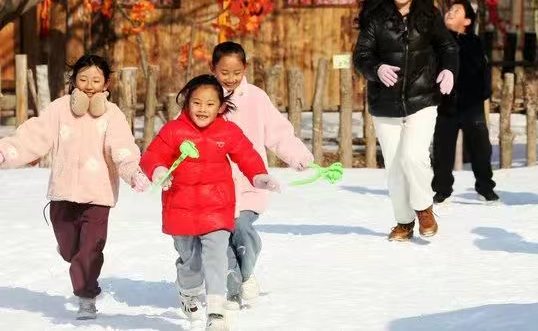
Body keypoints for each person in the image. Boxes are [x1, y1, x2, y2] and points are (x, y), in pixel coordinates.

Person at [0, 55, 147, 320]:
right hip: (63, 194)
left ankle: (86, 297)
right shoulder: (59, 109)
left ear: (106, 84)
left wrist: (133, 172)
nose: (89, 85)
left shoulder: (112, 115)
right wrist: (6, 152)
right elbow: (34, 136)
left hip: (98, 196)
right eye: (83, 79)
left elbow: (122, 148)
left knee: (90, 249)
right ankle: (72, 254)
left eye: (96, 80)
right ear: (74, 81)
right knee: (71, 250)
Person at [140, 75, 279, 331]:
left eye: (210, 104)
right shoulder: (174, 130)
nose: (202, 109)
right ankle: (188, 291)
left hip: (217, 206)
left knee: (216, 257)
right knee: (191, 262)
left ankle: (216, 313)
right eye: (197, 103)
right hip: (181, 207)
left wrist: (259, 176)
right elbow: (152, 155)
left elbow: (247, 155)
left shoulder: (227, 131)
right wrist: (159, 170)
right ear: (187, 103)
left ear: (221, 107)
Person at [353, 0, 458, 241]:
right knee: (395, 166)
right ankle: (404, 221)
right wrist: (376, 68)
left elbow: (447, 46)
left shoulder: (428, 15)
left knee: (414, 156)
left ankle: (423, 208)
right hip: (384, 103)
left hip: (422, 98)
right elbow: (361, 55)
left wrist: (449, 69)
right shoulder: (376, 16)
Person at [210, 41, 314, 306]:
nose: (231, 78)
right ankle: (232, 290)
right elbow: (182, 131)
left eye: (236, 73)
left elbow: (278, 132)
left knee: (242, 229)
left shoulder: (256, 98)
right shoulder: (204, 96)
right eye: (224, 72)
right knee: (221, 238)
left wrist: (298, 156)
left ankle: (245, 274)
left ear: (245, 69)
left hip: (250, 181)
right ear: (213, 69)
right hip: (214, 186)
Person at [432, 0, 498, 204]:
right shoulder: (438, 40)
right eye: (450, 9)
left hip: (472, 105)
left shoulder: (475, 43)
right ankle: (442, 189)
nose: (450, 12)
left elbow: (485, 70)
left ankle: (486, 187)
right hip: (445, 105)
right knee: (442, 150)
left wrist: (483, 93)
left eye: (457, 10)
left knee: (481, 149)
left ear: (467, 21)